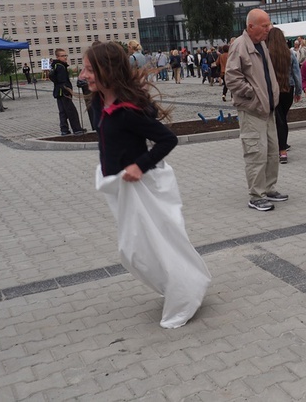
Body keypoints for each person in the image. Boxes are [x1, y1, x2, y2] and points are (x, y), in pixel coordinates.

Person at [81, 41, 211, 329]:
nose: (83, 74)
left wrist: (140, 165)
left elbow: (168, 139)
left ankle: (185, 292)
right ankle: (178, 284)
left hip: (142, 189)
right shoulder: (101, 103)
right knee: (136, 249)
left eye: (90, 69)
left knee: (148, 247)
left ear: (107, 70)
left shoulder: (128, 111)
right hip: (121, 188)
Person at [225, 9, 287, 211]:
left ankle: (269, 188)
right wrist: (252, 94)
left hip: (267, 109)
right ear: (251, 26)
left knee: (271, 151)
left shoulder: (260, 44)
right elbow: (232, 78)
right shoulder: (239, 46)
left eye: (269, 24)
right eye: (265, 25)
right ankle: (256, 195)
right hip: (252, 110)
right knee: (256, 153)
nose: (269, 29)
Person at [267, 27, 302, 164]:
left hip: (273, 90)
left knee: (278, 119)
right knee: (282, 119)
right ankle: (282, 147)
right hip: (288, 88)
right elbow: (297, 74)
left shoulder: (266, 54)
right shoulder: (290, 54)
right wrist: (298, 91)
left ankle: (281, 149)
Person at [49, 49, 85, 136]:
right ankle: (77, 129)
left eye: (66, 55)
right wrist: (68, 90)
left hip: (58, 92)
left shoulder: (55, 66)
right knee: (71, 110)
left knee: (63, 111)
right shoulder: (60, 67)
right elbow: (62, 81)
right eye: (63, 56)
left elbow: (52, 77)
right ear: (57, 57)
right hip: (64, 91)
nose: (65, 57)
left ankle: (64, 129)